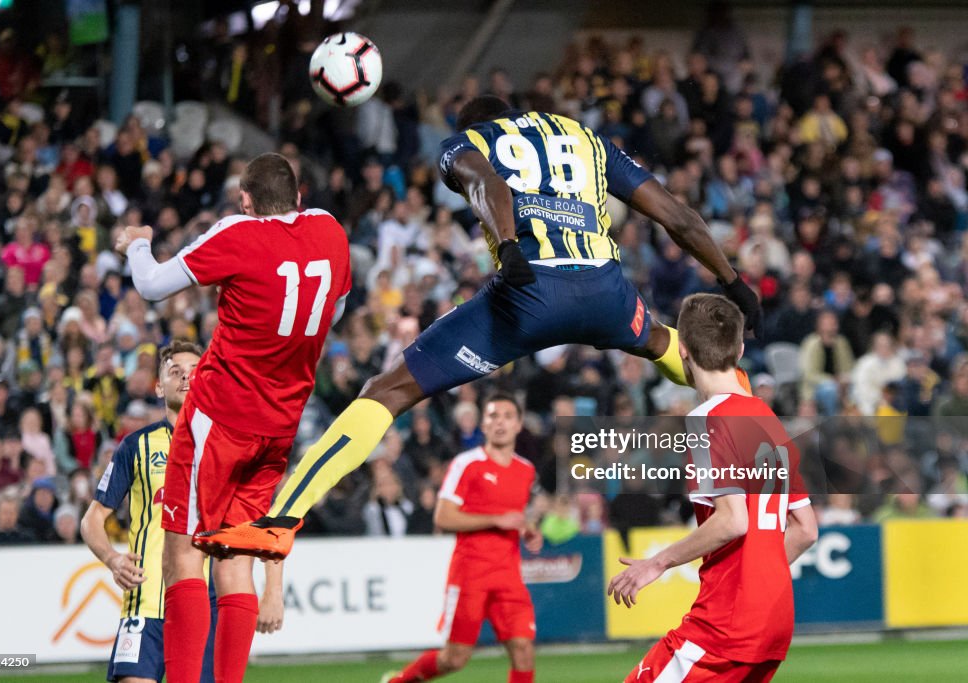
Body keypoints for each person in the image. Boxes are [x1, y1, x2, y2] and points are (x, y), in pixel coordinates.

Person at [200, 95, 762, 560]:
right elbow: (677, 217)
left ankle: (280, 519)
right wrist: (733, 280)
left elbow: (483, 183)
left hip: (528, 295)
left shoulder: (467, 143)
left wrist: (512, 246)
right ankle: (765, 457)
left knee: (388, 390)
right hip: (606, 294)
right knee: (685, 352)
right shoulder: (585, 138)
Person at [114, 153, 350, 683]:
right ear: (299, 195)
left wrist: (137, 242)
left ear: (245, 201)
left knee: (184, 552)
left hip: (219, 420)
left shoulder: (238, 234)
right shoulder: (330, 231)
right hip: (281, 425)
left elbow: (151, 284)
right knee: (235, 556)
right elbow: (335, 306)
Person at [607, 293, 819, 682]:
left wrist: (658, 562)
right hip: (774, 619)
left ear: (683, 350)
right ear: (739, 349)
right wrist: (759, 579)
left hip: (726, 625)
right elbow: (805, 529)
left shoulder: (706, 420)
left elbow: (733, 521)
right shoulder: (765, 416)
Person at [79, 341, 286, 683]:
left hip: (207, 607)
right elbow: (93, 518)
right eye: (175, 372)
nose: (186, 378)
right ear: (159, 387)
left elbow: (262, 523)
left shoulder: (233, 445)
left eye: (195, 371)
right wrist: (112, 559)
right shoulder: (137, 445)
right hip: (147, 603)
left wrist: (273, 592)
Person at [383, 394, 542, 683]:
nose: (500, 422)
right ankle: (398, 681)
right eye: (493, 416)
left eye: (507, 416)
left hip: (508, 575)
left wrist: (529, 530)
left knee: (523, 649)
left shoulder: (525, 470)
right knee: (454, 658)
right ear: (483, 424)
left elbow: (515, 517)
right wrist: (495, 520)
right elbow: (442, 517)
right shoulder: (466, 464)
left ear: (519, 425)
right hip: (471, 574)